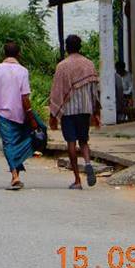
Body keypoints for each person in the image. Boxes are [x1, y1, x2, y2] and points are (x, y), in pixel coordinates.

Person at [0, 41, 40, 191]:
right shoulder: (23, 71)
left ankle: (15, 175)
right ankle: (15, 174)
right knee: (19, 141)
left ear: (3, 53)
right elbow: (25, 96)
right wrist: (30, 115)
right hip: (21, 113)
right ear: (18, 54)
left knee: (8, 144)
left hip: (4, 113)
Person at [49, 35, 101, 189]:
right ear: (80, 47)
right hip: (85, 109)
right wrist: (96, 111)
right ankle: (88, 163)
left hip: (69, 111)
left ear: (66, 47)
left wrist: (53, 114)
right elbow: (94, 90)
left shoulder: (62, 66)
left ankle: (78, 179)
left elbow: (57, 91)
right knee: (84, 141)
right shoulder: (89, 64)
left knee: (71, 142)